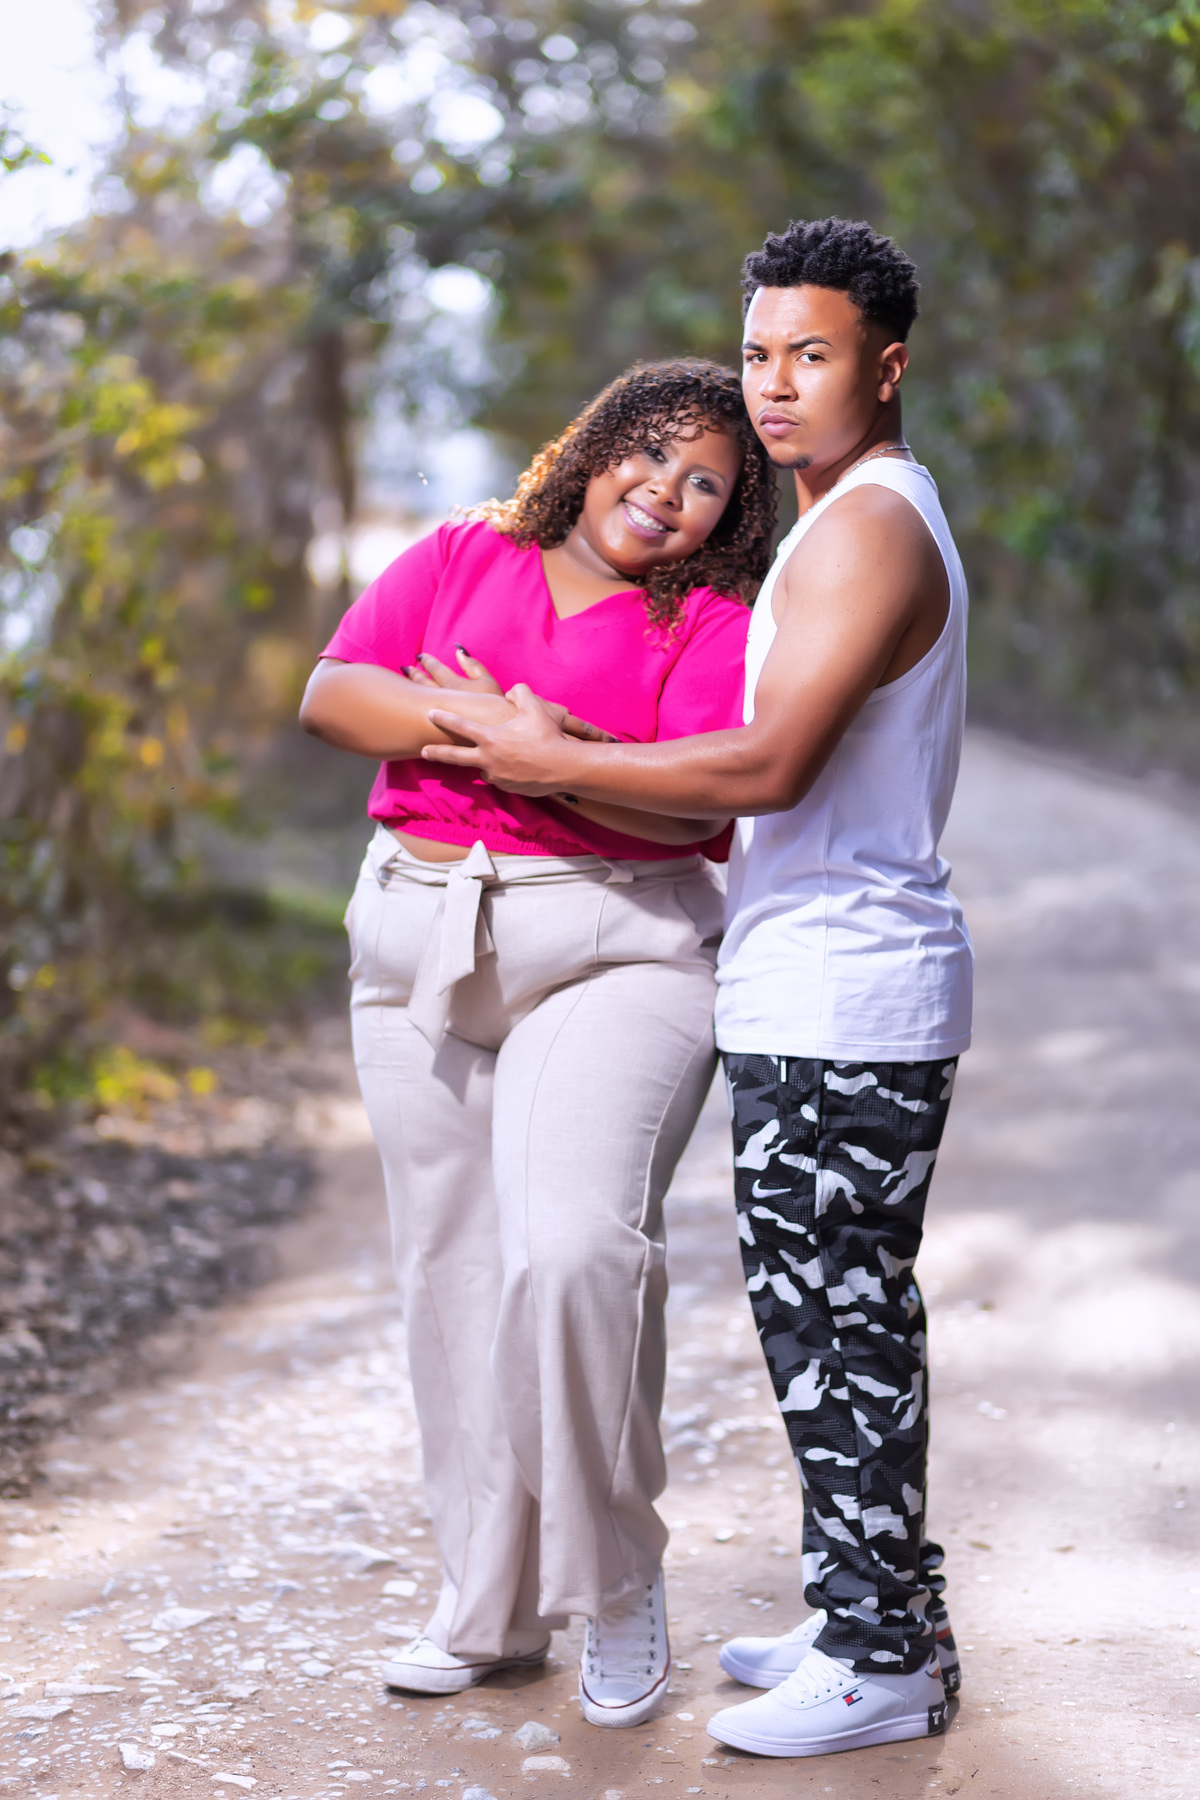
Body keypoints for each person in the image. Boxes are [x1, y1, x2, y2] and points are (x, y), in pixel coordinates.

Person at [419, 217, 974, 1759]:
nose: (775, 384)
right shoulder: (851, 516)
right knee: (827, 1318)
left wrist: (550, 758)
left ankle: (884, 1659)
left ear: (886, 367)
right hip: (818, 983)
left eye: (814, 356)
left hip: (848, 990)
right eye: (758, 353)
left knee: (837, 1328)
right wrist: (573, 747)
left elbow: (768, 764)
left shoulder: (866, 531)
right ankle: (872, 1608)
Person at [298, 360, 778, 1728]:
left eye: (705, 484)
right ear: (594, 445)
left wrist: (554, 748)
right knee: (452, 1272)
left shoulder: (711, 623)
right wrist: (491, 728)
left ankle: (616, 1580)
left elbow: (693, 811)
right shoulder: (465, 553)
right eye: (651, 454)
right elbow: (336, 695)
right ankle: (491, 1607)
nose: (666, 493)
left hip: (614, 947)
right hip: (416, 945)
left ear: (730, 519)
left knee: (570, 1251)